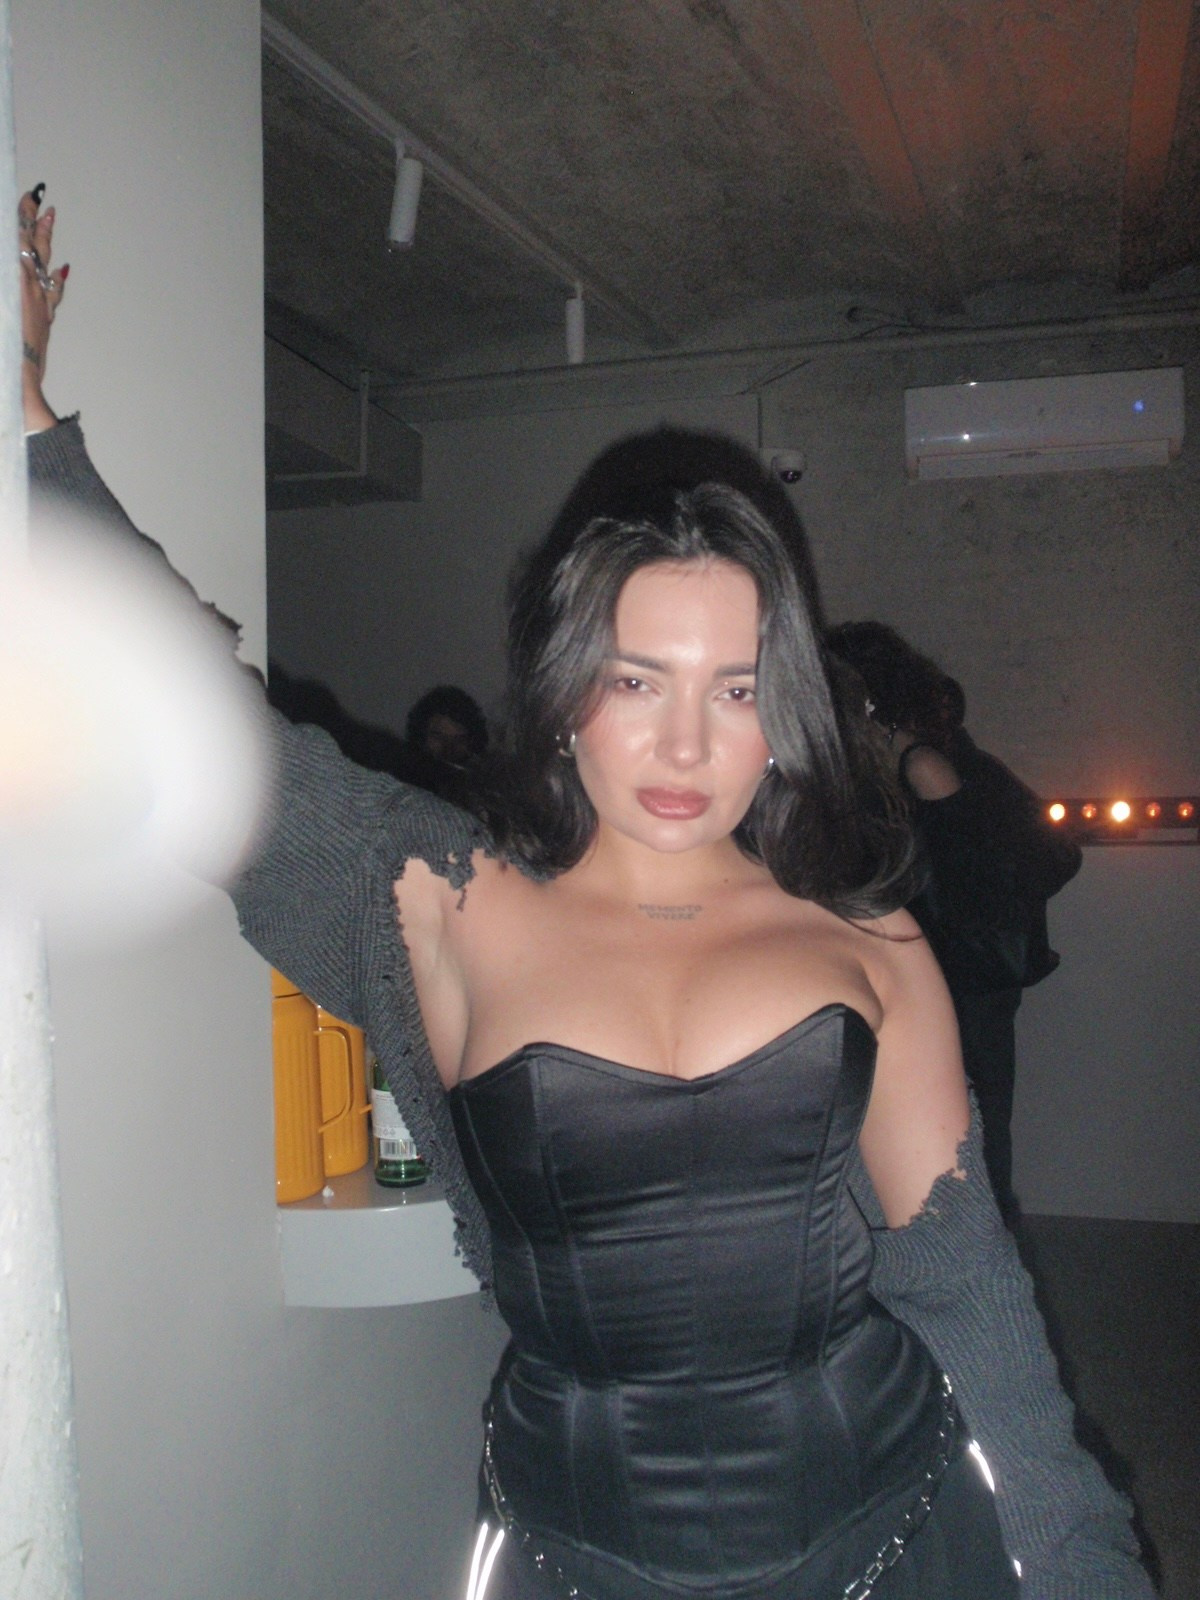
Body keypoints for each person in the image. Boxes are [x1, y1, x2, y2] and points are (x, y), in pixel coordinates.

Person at [21, 191, 1151, 1600]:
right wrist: (38, 444)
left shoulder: (866, 941)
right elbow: (196, 733)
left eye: (735, 691)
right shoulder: (441, 901)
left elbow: (969, 1293)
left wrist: (1091, 1567)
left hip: (887, 1530)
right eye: (637, 681)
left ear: (783, 715)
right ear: (566, 694)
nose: (685, 747)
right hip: (574, 1553)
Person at [825, 624, 1083, 1221]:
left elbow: (985, 880)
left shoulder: (924, 765)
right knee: (948, 1150)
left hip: (956, 988)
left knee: (963, 1156)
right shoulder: (902, 764)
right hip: (936, 986)